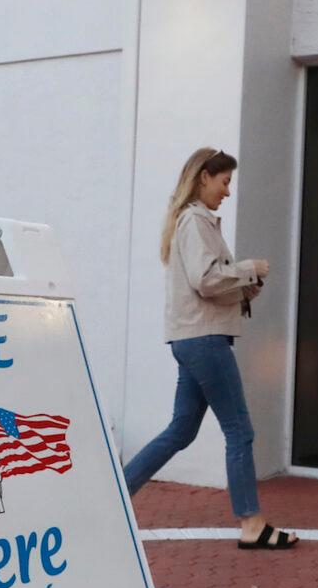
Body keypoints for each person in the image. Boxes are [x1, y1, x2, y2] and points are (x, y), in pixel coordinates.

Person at [123, 147, 298, 550]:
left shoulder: (189, 221)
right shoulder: (195, 222)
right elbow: (206, 279)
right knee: (240, 431)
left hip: (191, 339)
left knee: (181, 430)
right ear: (204, 177)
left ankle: (119, 495)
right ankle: (252, 523)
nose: (228, 191)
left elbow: (208, 283)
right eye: (224, 182)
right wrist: (249, 268)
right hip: (204, 341)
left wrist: (243, 288)